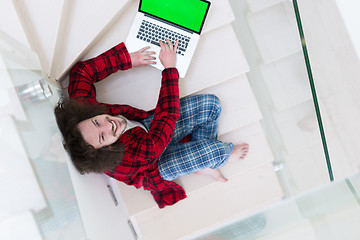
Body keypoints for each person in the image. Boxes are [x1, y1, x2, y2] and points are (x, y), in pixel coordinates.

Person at [54, 39, 249, 208]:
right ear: (105, 149)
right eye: (102, 137)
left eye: (97, 122)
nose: (108, 125)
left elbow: (82, 72)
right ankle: (214, 161)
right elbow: (167, 116)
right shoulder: (128, 158)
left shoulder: (84, 114)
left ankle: (201, 164)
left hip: (144, 129)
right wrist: (170, 69)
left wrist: (128, 59)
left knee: (211, 105)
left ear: (88, 116)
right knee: (217, 152)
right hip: (154, 165)